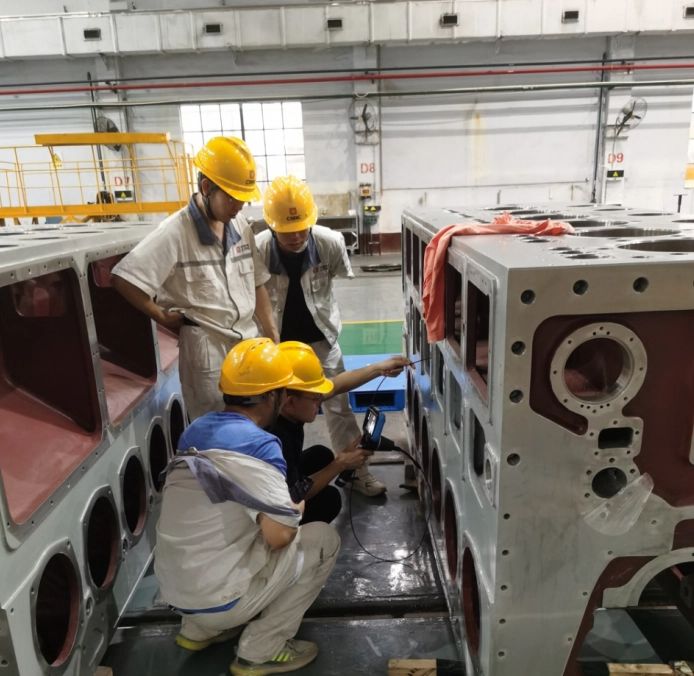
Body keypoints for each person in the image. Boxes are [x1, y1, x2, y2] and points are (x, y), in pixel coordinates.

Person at [155, 337, 340, 676]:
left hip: (175, 593)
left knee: (224, 526)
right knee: (323, 540)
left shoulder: (195, 430)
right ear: (274, 397)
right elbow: (280, 537)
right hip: (220, 600)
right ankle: (261, 650)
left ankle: (198, 631)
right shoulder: (261, 446)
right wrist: (296, 505)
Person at [112, 136, 279, 420]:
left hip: (248, 344)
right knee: (214, 424)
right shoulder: (175, 232)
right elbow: (125, 278)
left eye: (243, 198)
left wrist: (272, 333)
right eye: (232, 198)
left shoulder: (240, 225)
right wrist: (160, 315)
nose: (239, 206)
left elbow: (257, 281)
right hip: (207, 352)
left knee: (256, 421)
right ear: (206, 188)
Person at [256, 175, 384, 497]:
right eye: (287, 231)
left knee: (339, 407)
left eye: (302, 228)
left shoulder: (330, 243)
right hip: (276, 349)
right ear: (271, 226)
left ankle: (356, 473)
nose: (297, 236)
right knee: (273, 413)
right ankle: (276, 480)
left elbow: (336, 278)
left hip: (321, 342)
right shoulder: (258, 250)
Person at [273, 341, 410, 524]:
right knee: (329, 500)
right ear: (290, 402)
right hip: (270, 512)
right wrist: (341, 463)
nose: (320, 401)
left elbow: (336, 385)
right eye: (315, 398)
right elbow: (292, 496)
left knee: (320, 456)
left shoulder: (283, 404)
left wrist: (379, 368)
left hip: (276, 479)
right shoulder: (275, 437)